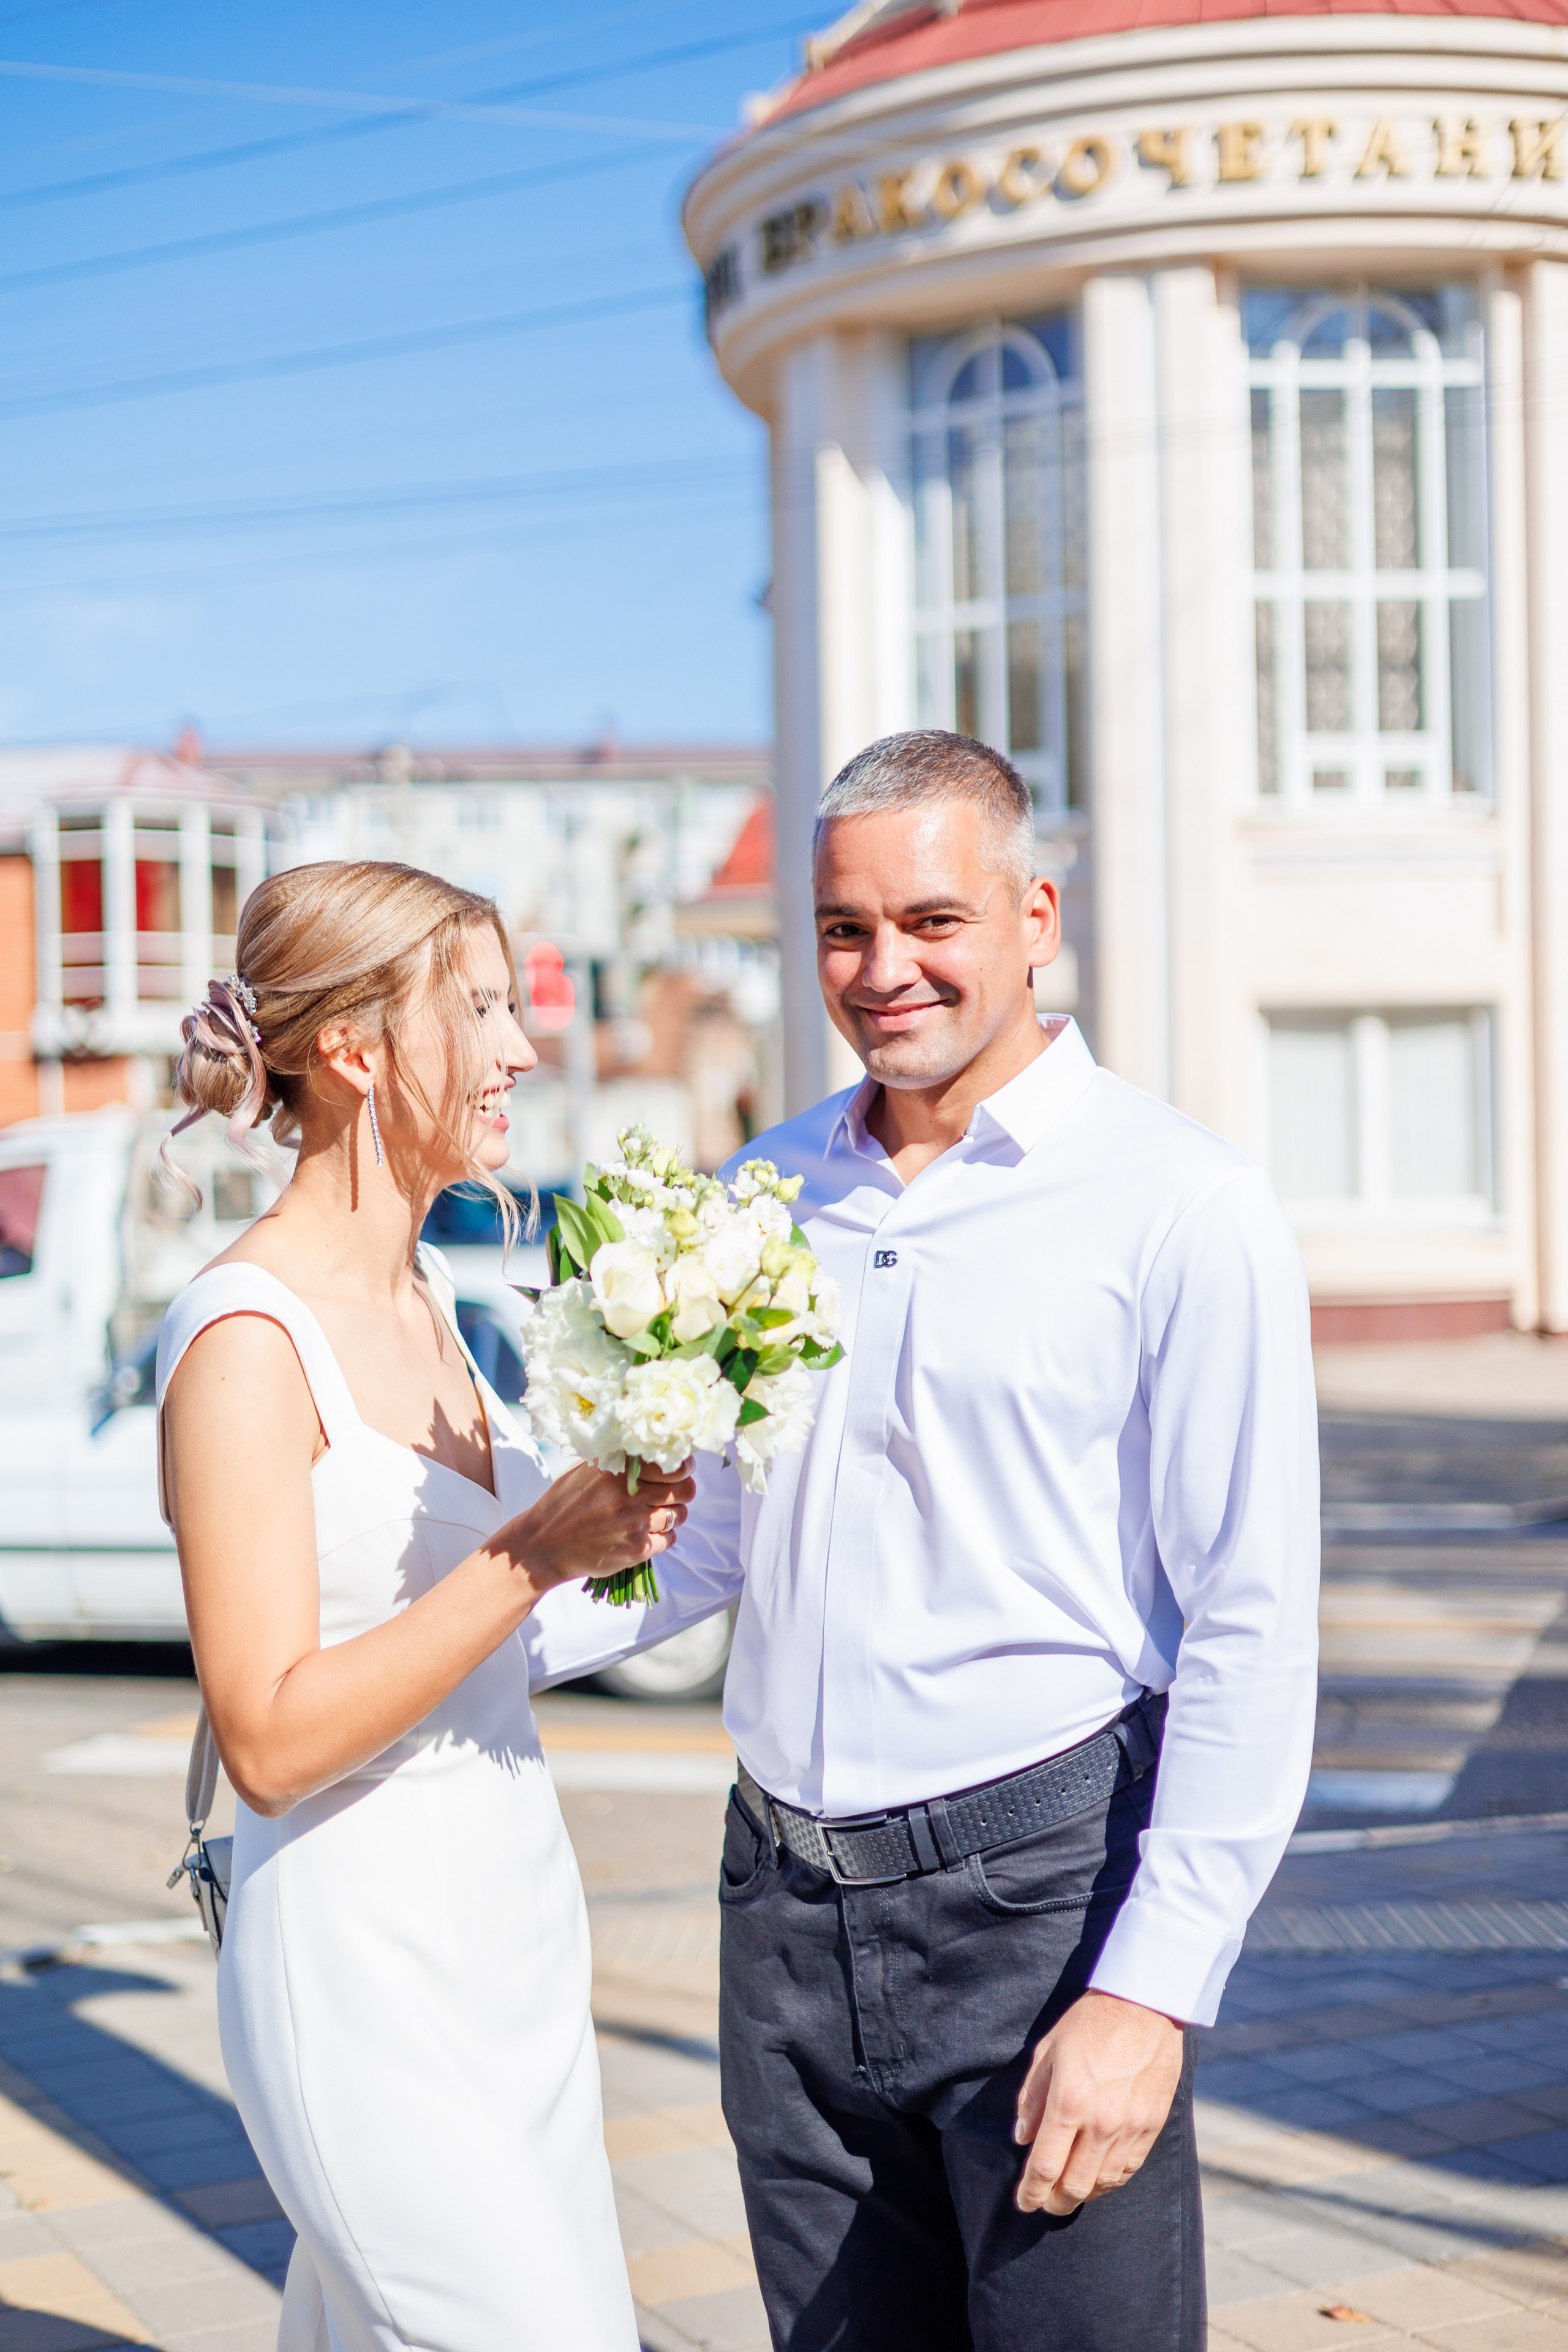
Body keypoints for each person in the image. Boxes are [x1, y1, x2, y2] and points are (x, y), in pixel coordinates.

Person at [526, 731, 1321, 2352]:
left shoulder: (1179, 1205)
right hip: (780, 1916)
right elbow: (707, 1542)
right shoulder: (760, 1196)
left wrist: (1149, 1989)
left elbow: (1249, 1619)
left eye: (930, 921)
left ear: (1035, 917)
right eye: (843, 928)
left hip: (1040, 1914)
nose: (882, 968)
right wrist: (450, 1641)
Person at [156, 859, 694, 2352]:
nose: (520, 1048)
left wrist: (680, 1535)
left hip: (515, 1932)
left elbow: (488, 1644)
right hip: (362, 1962)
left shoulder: (434, 1308)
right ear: (351, 1048)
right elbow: (267, 1741)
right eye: (481, 1009)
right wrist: (532, 1551)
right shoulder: (246, 1341)